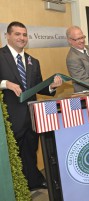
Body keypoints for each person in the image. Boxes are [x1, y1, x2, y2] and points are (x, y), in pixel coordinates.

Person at [0, 21, 62, 190]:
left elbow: (38, 86)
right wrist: (6, 83)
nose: (22, 38)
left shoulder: (32, 61)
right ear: (7, 36)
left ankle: (33, 182)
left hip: (31, 116)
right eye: (17, 34)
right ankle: (15, 188)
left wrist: (51, 87)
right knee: (14, 156)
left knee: (30, 151)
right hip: (10, 118)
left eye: (25, 34)